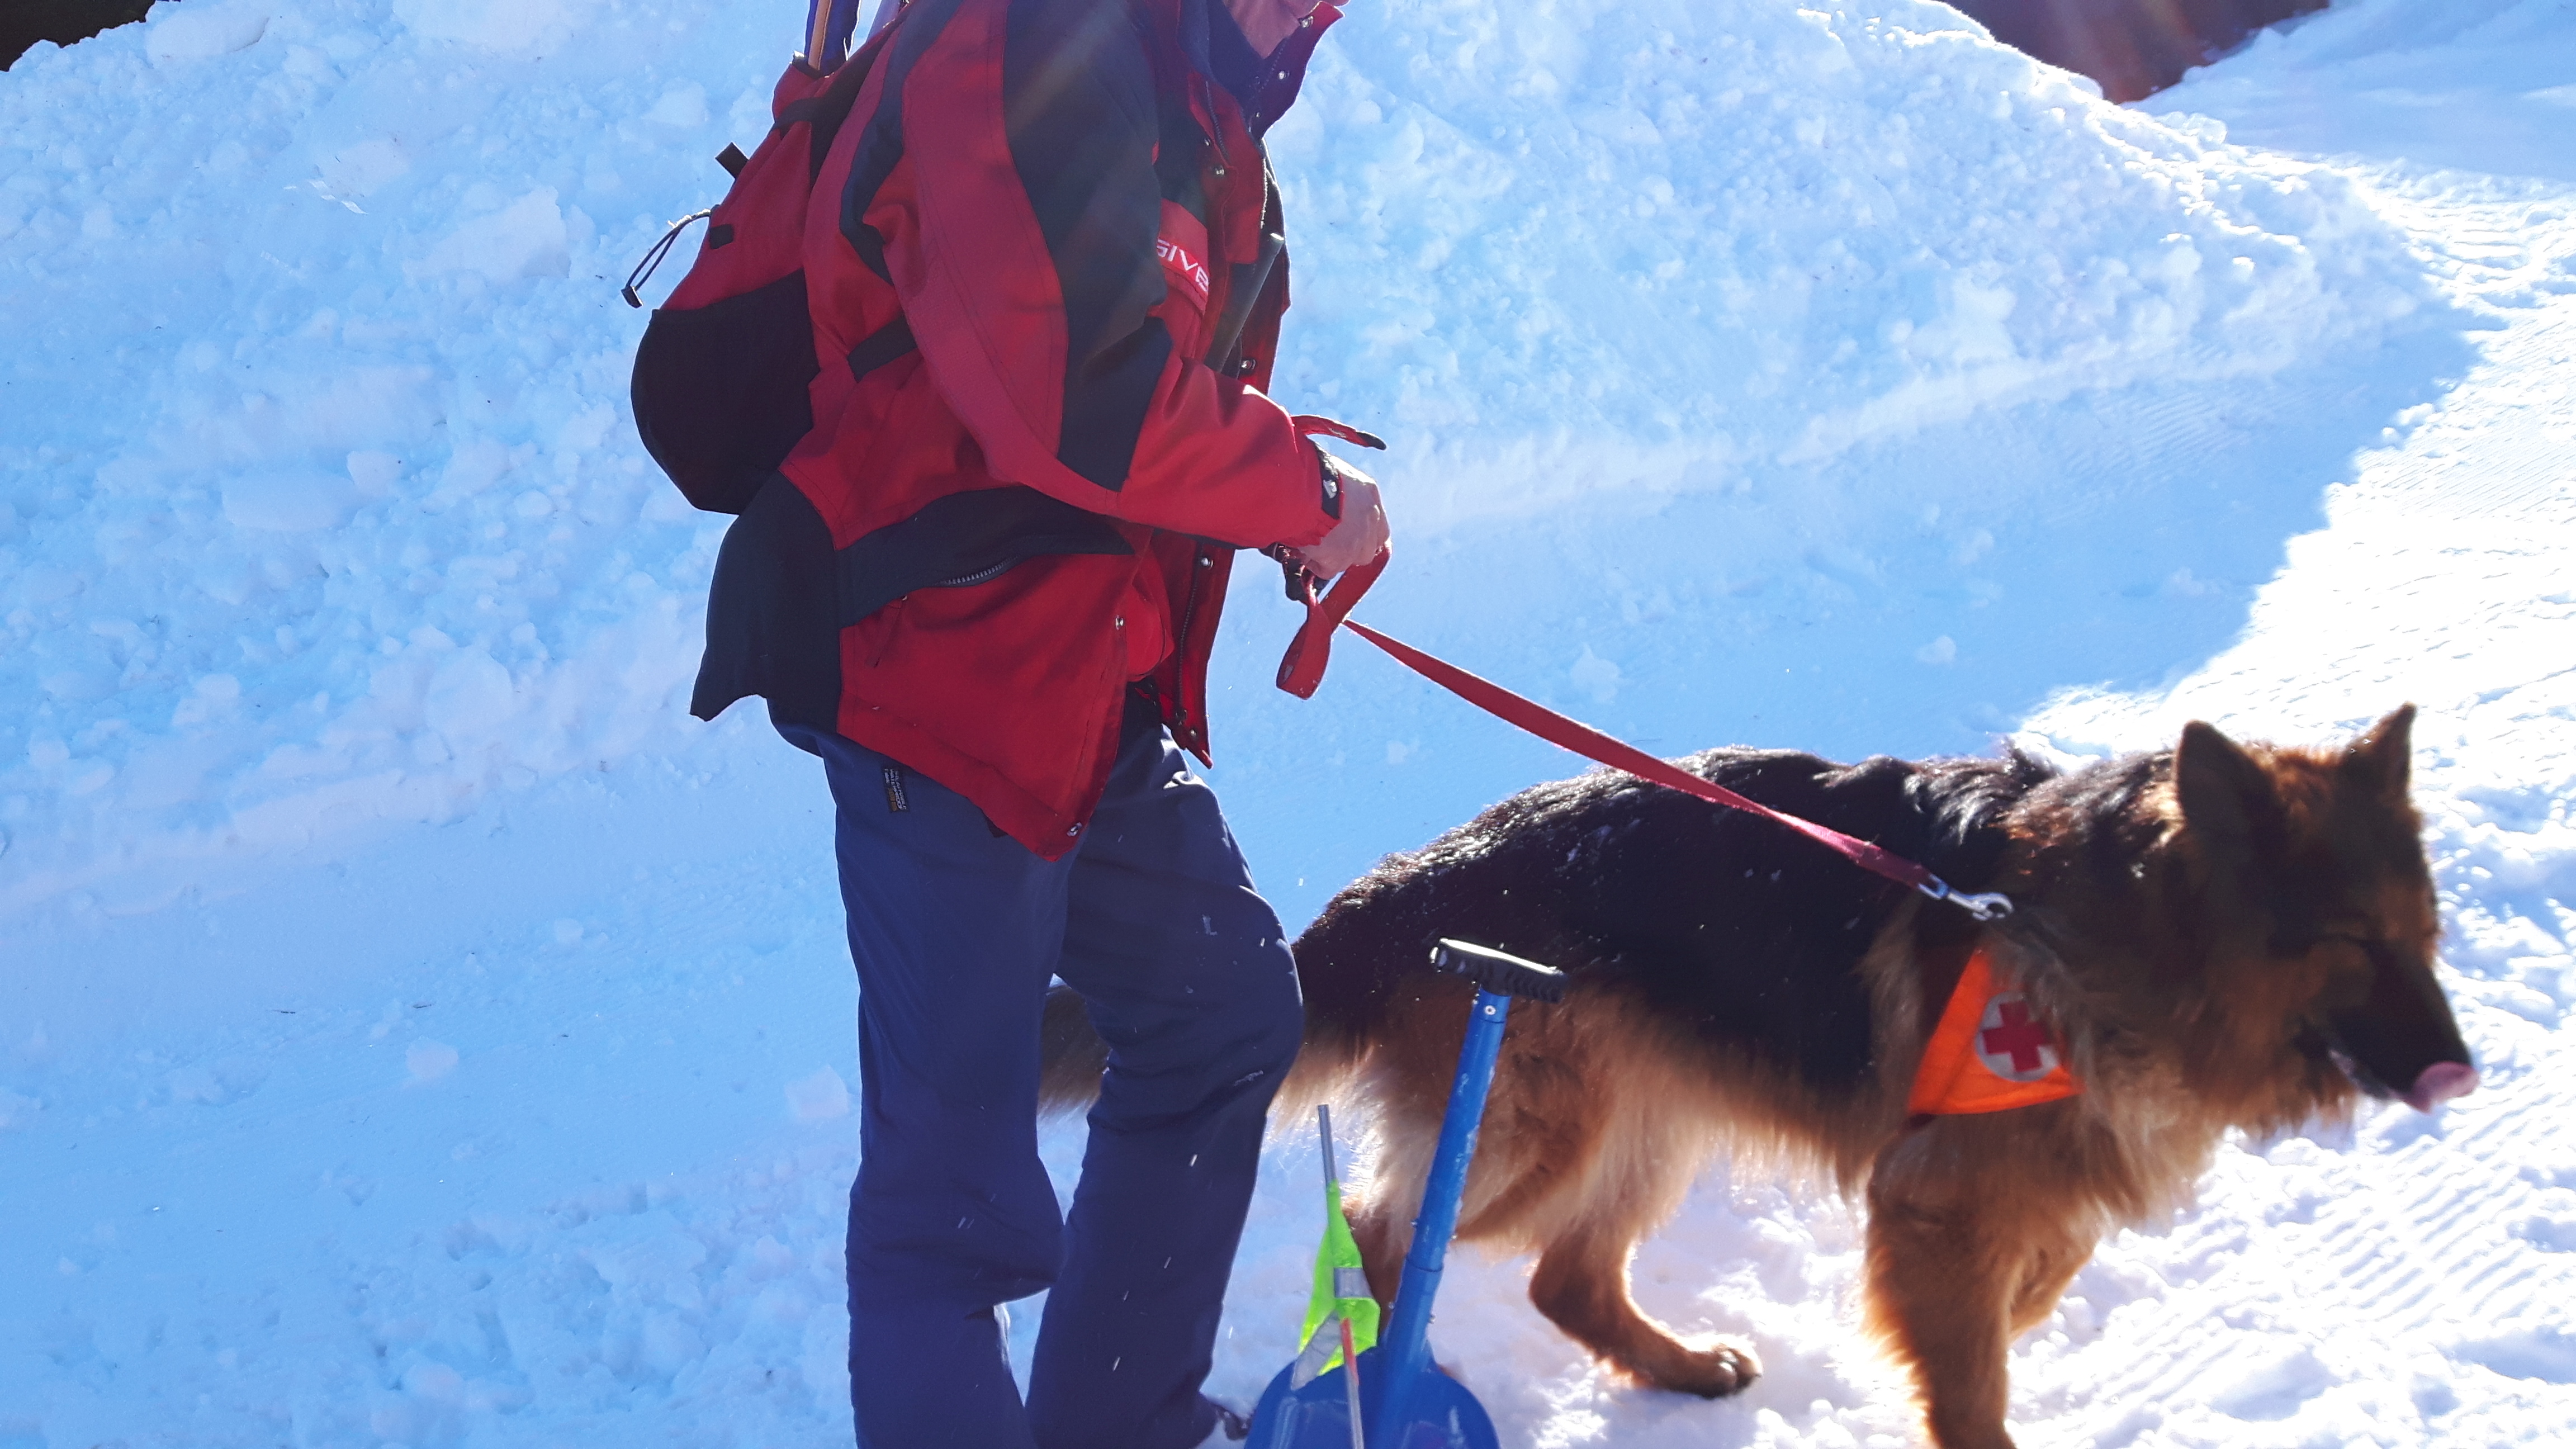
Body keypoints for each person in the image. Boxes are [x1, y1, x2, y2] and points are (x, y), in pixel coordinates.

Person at [685, 0, 1389, 1445]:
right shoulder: (1019, 39)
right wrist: (1300, 498)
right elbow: (1075, 400)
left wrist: (1273, 492)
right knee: (951, 1210)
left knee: (1220, 1013)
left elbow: (1146, 380)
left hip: (1083, 687)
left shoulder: (1195, 108)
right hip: (932, 684)